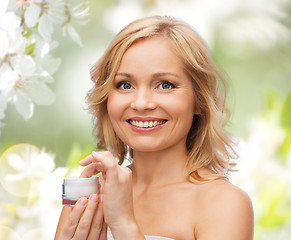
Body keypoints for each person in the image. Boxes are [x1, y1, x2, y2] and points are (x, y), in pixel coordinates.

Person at [54, 16, 254, 240]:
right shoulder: (90, 196)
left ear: (199, 100)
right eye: (125, 85)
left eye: (165, 85)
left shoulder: (224, 203)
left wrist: (124, 224)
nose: (141, 103)